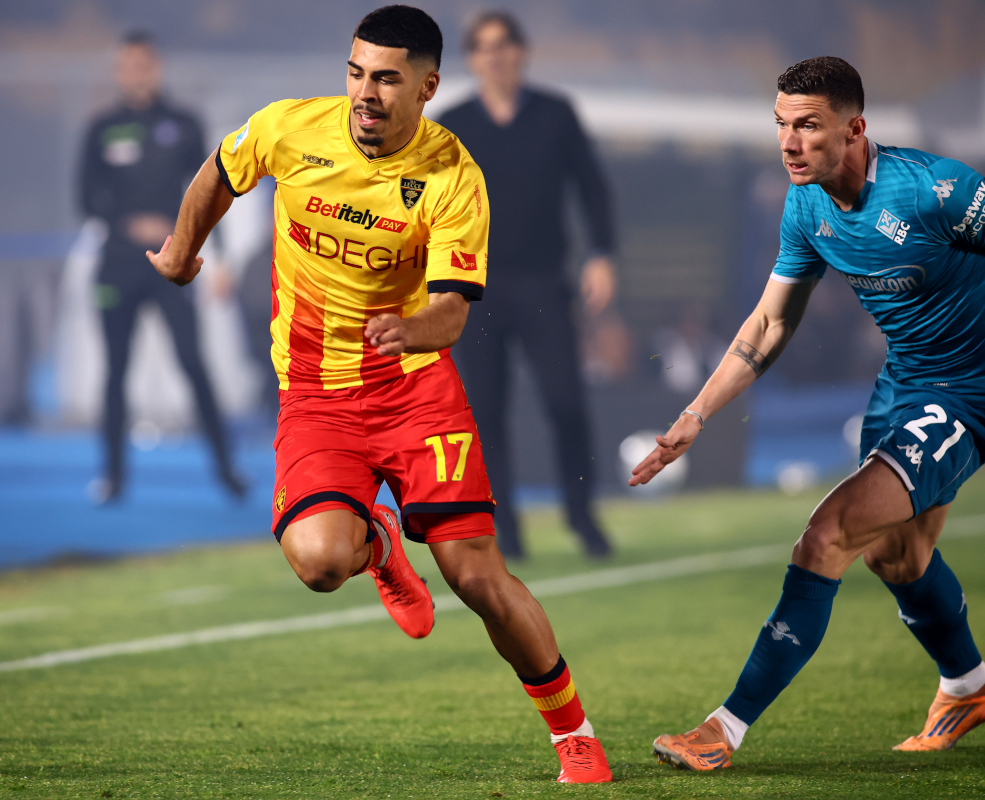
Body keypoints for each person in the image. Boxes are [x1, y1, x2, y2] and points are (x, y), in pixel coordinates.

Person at [145, 5, 613, 784]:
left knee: (475, 577)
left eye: (387, 78)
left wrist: (412, 328)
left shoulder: (453, 175)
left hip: (415, 390)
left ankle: (574, 734)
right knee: (321, 562)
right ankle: (379, 546)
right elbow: (216, 175)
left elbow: (454, 311)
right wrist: (183, 253)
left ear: (427, 86)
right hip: (316, 396)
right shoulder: (289, 130)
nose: (365, 92)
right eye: (357, 72)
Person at [633, 56, 985, 770]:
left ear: (855, 129)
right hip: (906, 384)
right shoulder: (806, 204)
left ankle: (722, 730)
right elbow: (767, 325)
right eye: (781, 126)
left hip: (970, 390)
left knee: (826, 534)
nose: (789, 143)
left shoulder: (937, 192)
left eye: (809, 127)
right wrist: (696, 416)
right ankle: (969, 686)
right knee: (897, 554)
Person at [437, 11, 616, 559]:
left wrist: (601, 256)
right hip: (474, 288)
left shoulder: (556, 115)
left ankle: (582, 518)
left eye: (505, 44)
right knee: (485, 412)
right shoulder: (453, 122)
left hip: (543, 283)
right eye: (483, 47)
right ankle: (505, 531)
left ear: (522, 51)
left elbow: (592, 188)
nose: (495, 55)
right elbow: (427, 202)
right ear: (472, 59)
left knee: (566, 402)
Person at [78, 31, 244, 503]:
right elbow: (86, 198)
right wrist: (130, 224)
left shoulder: (185, 124)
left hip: (174, 266)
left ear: (156, 66)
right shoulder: (102, 128)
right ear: (118, 70)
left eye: (144, 62)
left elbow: (214, 191)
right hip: (118, 267)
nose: (137, 71)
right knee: (115, 372)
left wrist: (222, 259)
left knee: (194, 363)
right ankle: (112, 477)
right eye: (127, 63)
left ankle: (227, 470)